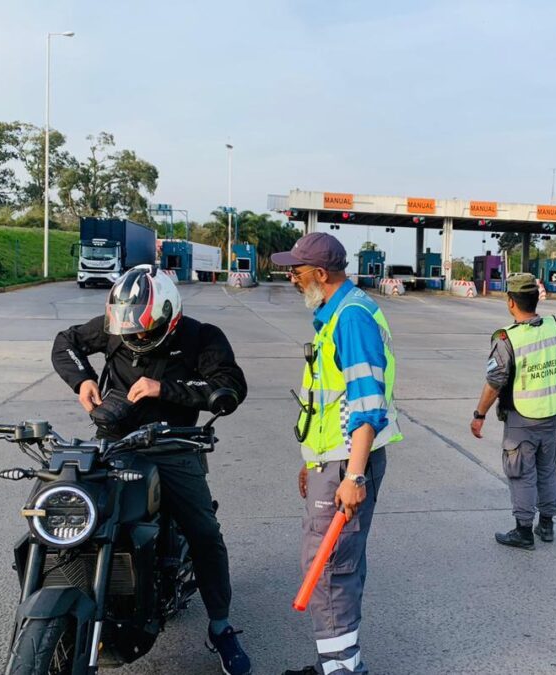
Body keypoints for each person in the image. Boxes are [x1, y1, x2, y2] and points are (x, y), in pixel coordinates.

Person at [51, 265, 251, 675]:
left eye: (145, 332)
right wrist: (83, 381)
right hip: (115, 443)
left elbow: (228, 386)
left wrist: (165, 389)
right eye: (128, 334)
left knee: (204, 533)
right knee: (79, 517)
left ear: (169, 316)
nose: (136, 340)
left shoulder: (201, 337)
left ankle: (221, 626)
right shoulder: (115, 327)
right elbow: (65, 342)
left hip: (173, 446)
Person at [271, 233, 402, 675]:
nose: (291, 277)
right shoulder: (339, 314)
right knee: (337, 563)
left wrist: (354, 476)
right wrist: (312, 461)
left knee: (330, 567)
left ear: (320, 274)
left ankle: (343, 670)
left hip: (348, 462)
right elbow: (328, 403)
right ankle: (337, 662)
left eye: (297, 270)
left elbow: (366, 405)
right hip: (335, 460)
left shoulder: (351, 320)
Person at [471, 272, 556, 550]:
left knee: (522, 472)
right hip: (551, 414)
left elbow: (494, 383)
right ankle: (547, 525)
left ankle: (524, 531)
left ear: (511, 301)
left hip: (522, 419)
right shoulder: (554, 328)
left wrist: (479, 415)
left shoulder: (507, 339)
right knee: (547, 470)